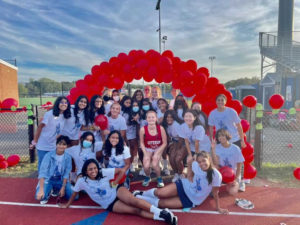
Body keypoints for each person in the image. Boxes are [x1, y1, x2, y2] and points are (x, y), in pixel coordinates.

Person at [59, 159, 178, 225]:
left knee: (134, 201)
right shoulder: (81, 181)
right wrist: (67, 205)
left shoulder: (103, 172)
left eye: (95, 168)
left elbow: (121, 171)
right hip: (110, 204)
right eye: (90, 169)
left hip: (116, 191)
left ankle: (161, 212)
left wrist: (115, 182)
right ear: (85, 170)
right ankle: (162, 217)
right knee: (135, 211)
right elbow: (74, 193)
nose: (93, 171)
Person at [133, 151, 228, 214]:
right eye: (199, 162)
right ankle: (141, 193)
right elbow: (190, 170)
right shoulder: (196, 165)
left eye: (204, 161)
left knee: (162, 204)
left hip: (192, 199)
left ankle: (139, 198)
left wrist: (218, 208)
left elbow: (215, 193)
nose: (201, 164)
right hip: (185, 185)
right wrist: (189, 171)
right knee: (160, 193)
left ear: (209, 160)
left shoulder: (216, 175)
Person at [30, 96, 71, 171]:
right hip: (44, 145)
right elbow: (40, 127)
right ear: (57, 103)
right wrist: (34, 142)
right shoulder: (50, 114)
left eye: (66, 103)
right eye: (62, 102)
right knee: (43, 164)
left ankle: (50, 181)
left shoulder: (64, 115)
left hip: (54, 145)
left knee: (53, 165)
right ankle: (42, 181)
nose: (64, 104)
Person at [35, 136, 73, 204]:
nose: (61, 146)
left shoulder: (68, 157)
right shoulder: (48, 155)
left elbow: (66, 173)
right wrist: (41, 190)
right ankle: (48, 189)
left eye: (64, 144)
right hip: (49, 179)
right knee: (40, 197)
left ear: (67, 146)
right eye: (59, 144)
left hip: (60, 180)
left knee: (73, 197)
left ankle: (56, 189)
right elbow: (43, 172)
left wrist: (63, 187)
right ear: (56, 144)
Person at [211, 129, 245, 193]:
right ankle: (216, 183)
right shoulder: (217, 147)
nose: (221, 137)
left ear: (227, 136)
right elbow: (216, 163)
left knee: (232, 192)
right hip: (222, 172)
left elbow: (239, 166)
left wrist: (235, 179)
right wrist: (213, 149)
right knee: (213, 166)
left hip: (233, 174)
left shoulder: (236, 148)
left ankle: (240, 182)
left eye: (223, 135)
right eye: (219, 136)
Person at [139, 110, 167, 188]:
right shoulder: (143, 129)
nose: (151, 119)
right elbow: (141, 143)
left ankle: (159, 178)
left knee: (155, 164)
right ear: (146, 119)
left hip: (158, 147)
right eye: (149, 117)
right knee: (146, 165)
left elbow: (165, 143)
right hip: (148, 148)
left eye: (153, 117)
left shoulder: (160, 128)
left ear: (156, 119)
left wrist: (157, 153)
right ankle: (148, 177)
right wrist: (145, 154)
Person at [161, 110, 187, 182]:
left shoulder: (177, 125)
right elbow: (169, 137)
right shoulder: (166, 125)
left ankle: (181, 174)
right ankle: (176, 174)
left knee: (177, 159)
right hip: (175, 142)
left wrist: (176, 149)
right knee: (171, 158)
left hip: (183, 142)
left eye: (171, 117)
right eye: (167, 117)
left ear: (174, 117)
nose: (169, 119)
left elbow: (181, 138)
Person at [121, 97, 140, 172]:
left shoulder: (133, 111)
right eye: (127, 102)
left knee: (133, 148)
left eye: (129, 103)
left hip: (132, 132)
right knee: (125, 149)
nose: (128, 104)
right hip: (123, 132)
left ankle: (132, 164)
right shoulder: (121, 111)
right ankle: (126, 163)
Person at [157, 98, 170, 175]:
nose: (161, 105)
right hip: (159, 133)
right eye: (159, 103)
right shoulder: (157, 112)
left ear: (166, 103)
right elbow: (157, 123)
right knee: (159, 150)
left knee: (165, 151)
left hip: (168, 133)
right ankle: (160, 165)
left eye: (163, 103)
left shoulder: (169, 112)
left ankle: (166, 167)